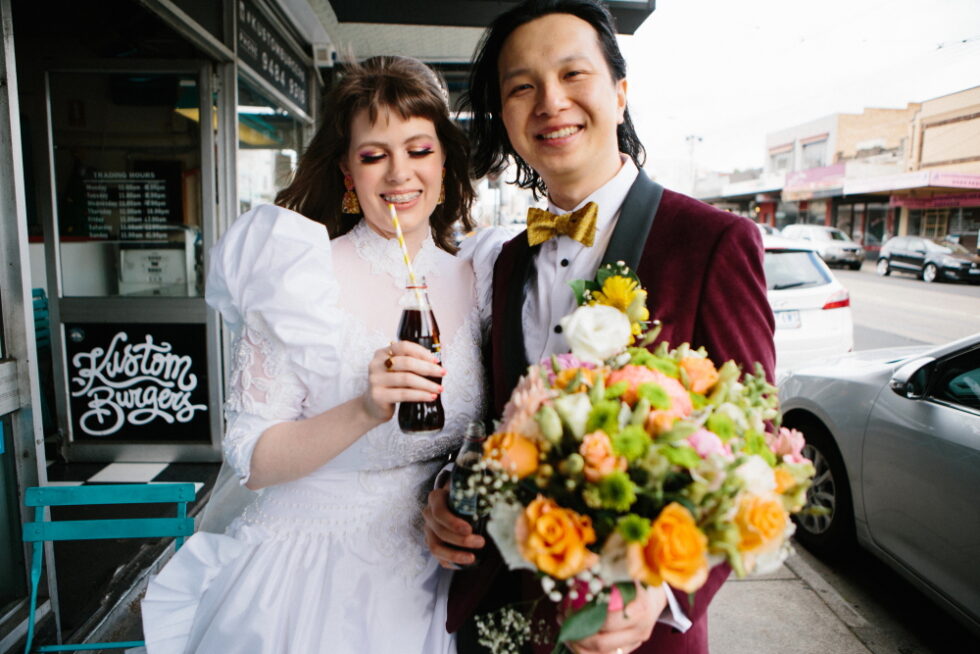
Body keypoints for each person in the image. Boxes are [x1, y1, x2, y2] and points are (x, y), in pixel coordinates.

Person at [422, 1, 776, 653]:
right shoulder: (506, 262)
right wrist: (453, 491)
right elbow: (497, 415)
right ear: (505, 116)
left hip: (640, 632)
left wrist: (665, 592)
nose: (549, 101)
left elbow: (757, 452)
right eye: (522, 86)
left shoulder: (711, 242)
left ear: (619, 92)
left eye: (572, 74)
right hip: (507, 617)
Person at [141, 56, 484, 654]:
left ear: (446, 159)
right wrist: (362, 409)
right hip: (315, 579)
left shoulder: (481, 279)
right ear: (348, 173)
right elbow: (251, 459)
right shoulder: (298, 275)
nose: (399, 173)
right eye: (375, 154)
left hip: (441, 577)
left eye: (419, 149)